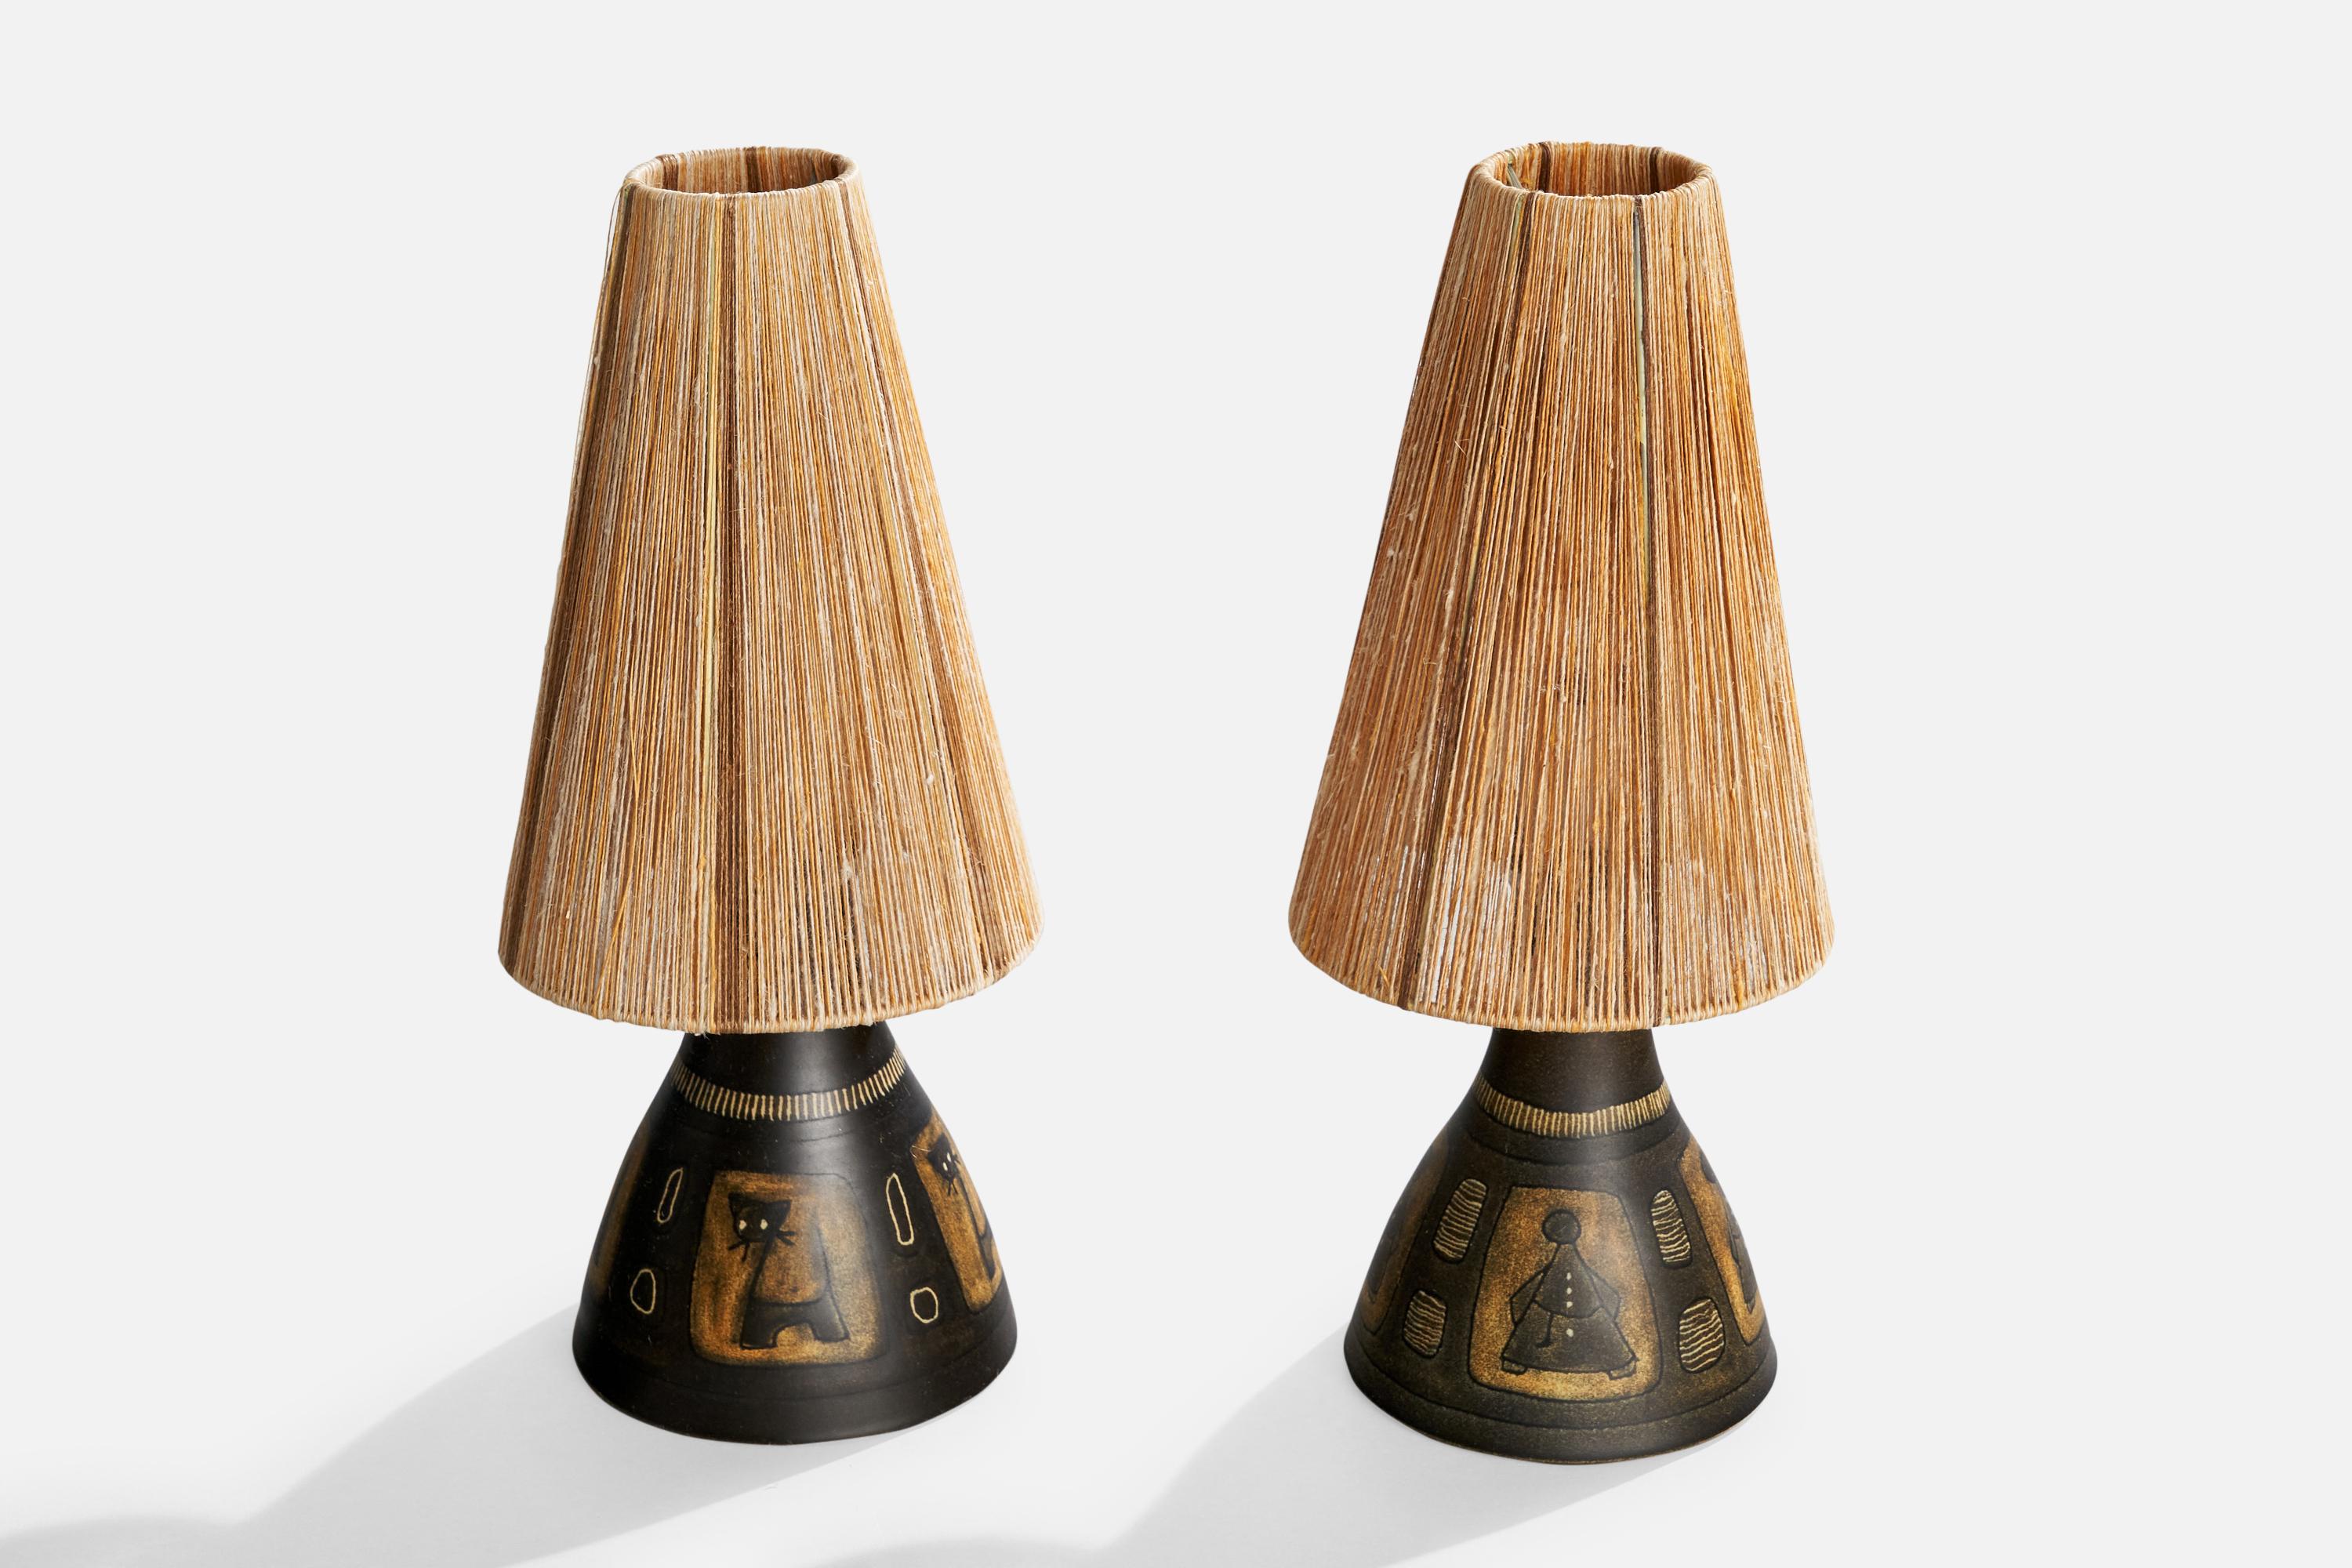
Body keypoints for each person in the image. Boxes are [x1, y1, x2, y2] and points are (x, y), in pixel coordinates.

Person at [1501, 1208, 1636, 1377]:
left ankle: (1517, 1362)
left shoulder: (1561, 1267)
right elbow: (1609, 1295)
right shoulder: (1570, 1266)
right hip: (1570, 1311)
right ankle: (1618, 1366)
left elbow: (1523, 1296)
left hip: (1556, 1311)